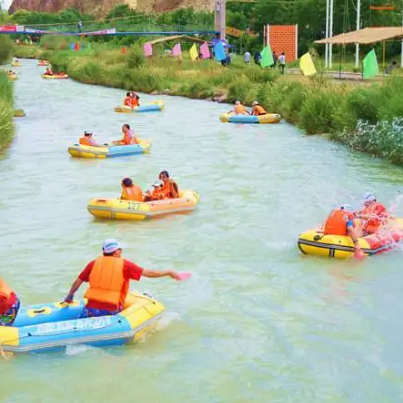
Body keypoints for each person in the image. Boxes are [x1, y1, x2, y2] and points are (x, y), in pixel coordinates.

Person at [64, 239, 181, 318]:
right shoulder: (125, 265)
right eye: (120, 249)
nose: (122, 251)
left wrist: (69, 296)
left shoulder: (93, 264)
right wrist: (168, 272)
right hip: (111, 311)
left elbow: (77, 282)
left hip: (90, 309)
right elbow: (149, 273)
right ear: (115, 252)